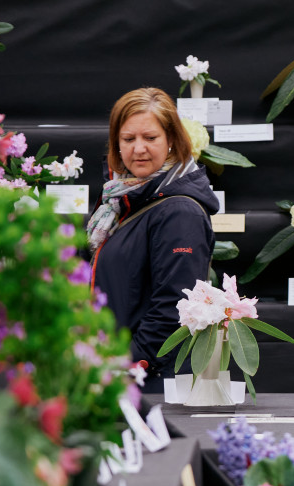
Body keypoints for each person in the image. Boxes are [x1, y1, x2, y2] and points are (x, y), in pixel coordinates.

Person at [87, 87, 218, 391]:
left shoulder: (179, 212)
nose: (139, 149)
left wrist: (127, 362)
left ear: (171, 140)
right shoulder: (120, 201)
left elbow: (175, 307)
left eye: (150, 138)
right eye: (128, 139)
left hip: (147, 384)